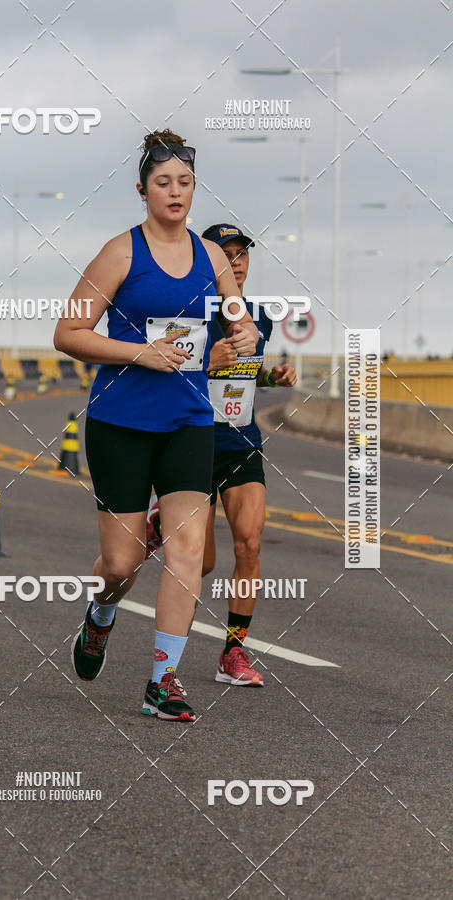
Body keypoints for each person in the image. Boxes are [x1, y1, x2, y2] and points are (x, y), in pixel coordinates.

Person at [54, 129, 260, 722]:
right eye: (163, 182)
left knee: (187, 550)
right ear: (143, 189)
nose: (175, 192)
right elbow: (68, 333)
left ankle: (162, 680)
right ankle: (99, 616)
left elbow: (237, 324)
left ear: (194, 191)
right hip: (121, 422)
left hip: (188, 422)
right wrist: (139, 352)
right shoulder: (121, 253)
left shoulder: (213, 257)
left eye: (185, 183)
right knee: (121, 565)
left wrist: (241, 334)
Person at [202, 224, 297, 686]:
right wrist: (206, 364)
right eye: (226, 254)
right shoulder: (188, 313)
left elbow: (242, 377)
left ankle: (233, 654)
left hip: (241, 441)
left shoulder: (259, 315)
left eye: (242, 254)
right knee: (200, 562)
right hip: (192, 441)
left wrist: (272, 379)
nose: (236, 261)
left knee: (251, 543)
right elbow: (162, 375)